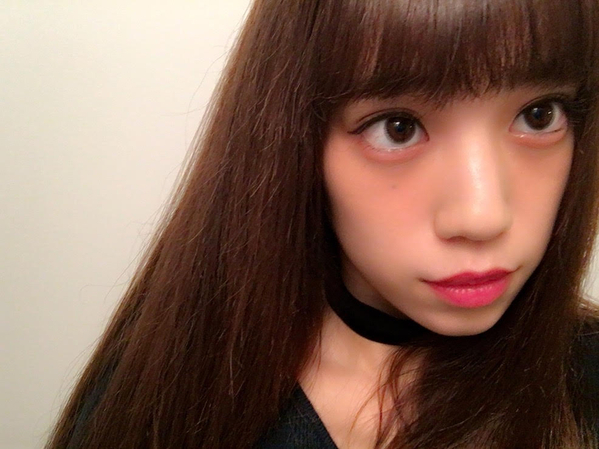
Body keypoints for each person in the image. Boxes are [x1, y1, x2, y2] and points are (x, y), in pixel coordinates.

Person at [46, 0, 599, 448]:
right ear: (296, 144)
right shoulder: (168, 393)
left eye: (539, 116)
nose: (483, 216)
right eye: (398, 128)